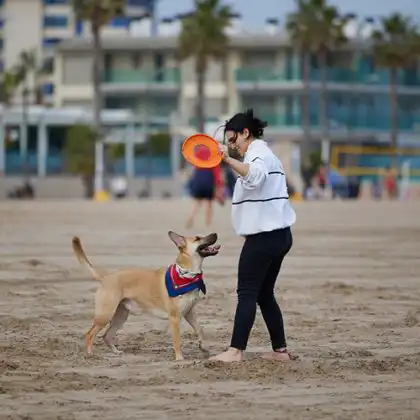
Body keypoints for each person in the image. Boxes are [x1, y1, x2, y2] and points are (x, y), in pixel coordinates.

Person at [209, 108, 296, 363]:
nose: (231, 146)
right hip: (280, 236)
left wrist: (227, 160)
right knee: (264, 293)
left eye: (232, 139)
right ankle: (280, 351)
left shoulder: (258, 154)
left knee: (247, 292)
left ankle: (235, 351)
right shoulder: (265, 154)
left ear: (245, 133)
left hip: (265, 238)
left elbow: (255, 176)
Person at [185, 163, 224, 229]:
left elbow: (193, 173)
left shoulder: (198, 160)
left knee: (197, 203)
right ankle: (208, 223)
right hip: (208, 182)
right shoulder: (214, 161)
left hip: (198, 182)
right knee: (209, 204)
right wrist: (219, 186)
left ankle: (191, 218)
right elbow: (217, 175)